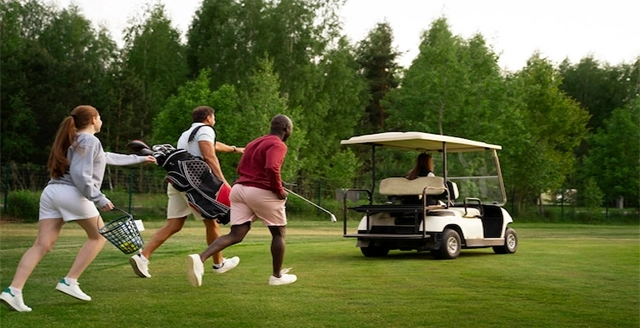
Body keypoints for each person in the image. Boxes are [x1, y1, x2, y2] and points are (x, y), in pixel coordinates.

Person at [0, 105, 155, 312]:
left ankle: (13, 291)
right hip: (72, 193)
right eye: (99, 117)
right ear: (92, 119)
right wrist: (98, 198)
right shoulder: (90, 140)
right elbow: (80, 175)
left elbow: (106, 157)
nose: (101, 120)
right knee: (98, 236)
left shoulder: (73, 139)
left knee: (42, 244)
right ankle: (70, 281)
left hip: (52, 192)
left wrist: (140, 158)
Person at [129, 106, 244, 278]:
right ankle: (218, 263)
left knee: (174, 224)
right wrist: (222, 182)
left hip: (179, 181)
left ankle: (142, 257)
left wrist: (235, 149)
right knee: (212, 222)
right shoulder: (206, 129)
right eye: (214, 117)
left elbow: (213, 146)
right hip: (197, 186)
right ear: (208, 117)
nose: (214, 120)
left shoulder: (187, 133)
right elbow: (209, 155)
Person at [185, 114, 296, 287]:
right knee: (278, 233)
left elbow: (240, 168)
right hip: (260, 191)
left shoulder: (254, 142)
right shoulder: (277, 144)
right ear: (286, 130)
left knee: (236, 234)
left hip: (239, 189)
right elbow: (271, 167)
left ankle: (200, 258)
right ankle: (277, 276)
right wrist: (279, 190)